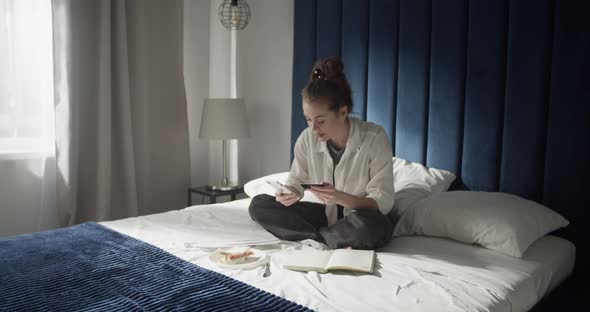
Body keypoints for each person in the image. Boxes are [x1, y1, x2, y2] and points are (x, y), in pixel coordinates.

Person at [248, 57, 394, 250]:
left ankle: (316, 237)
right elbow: (296, 182)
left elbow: (381, 202)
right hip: (327, 216)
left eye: (320, 120)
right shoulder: (307, 139)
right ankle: (324, 239)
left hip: (361, 217)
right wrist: (289, 193)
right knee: (259, 204)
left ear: (342, 112)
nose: (313, 128)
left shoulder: (374, 137)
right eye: (308, 119)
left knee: (374, 228)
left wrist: (339, 197)